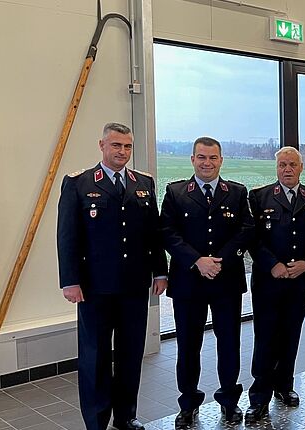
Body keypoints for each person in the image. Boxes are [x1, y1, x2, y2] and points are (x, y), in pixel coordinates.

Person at [56, 122, 168, 430]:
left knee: (132, 354)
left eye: (128, 146)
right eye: (116, 145)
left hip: (133, 285)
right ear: (102, 145)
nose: (122, 151)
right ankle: (96, 420)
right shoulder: (78, 183)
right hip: (94, 287)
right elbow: (67, 237)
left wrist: (160, 271)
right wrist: (70, 280)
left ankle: (125, 416)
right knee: (95, 355)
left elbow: (152, 234)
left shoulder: (143, 182)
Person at [159, 137, 254, 428]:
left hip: (225, 281)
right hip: (189, 282)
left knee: (229, 343)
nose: (207, 163)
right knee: (188, 345)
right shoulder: (176, 193)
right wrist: (197, 261)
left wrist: (218, 261)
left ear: (221, 160)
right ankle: (188, 403)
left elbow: (246, 230)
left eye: (213, 158)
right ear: (192, 159)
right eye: (201, 157)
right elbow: (166, 232)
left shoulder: (236, 193)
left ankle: (229, 401)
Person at [245, 147, 305, 423]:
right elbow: (252, 239)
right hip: (269, 281)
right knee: (266, 337)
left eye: (292, 164)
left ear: (301, 167)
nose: (287, 169)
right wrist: (273, 264)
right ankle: (259, 397)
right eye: (282, 165)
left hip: (299, 281)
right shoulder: (259, 197)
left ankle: (284, 386)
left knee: (291, 335)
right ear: (276, 167)